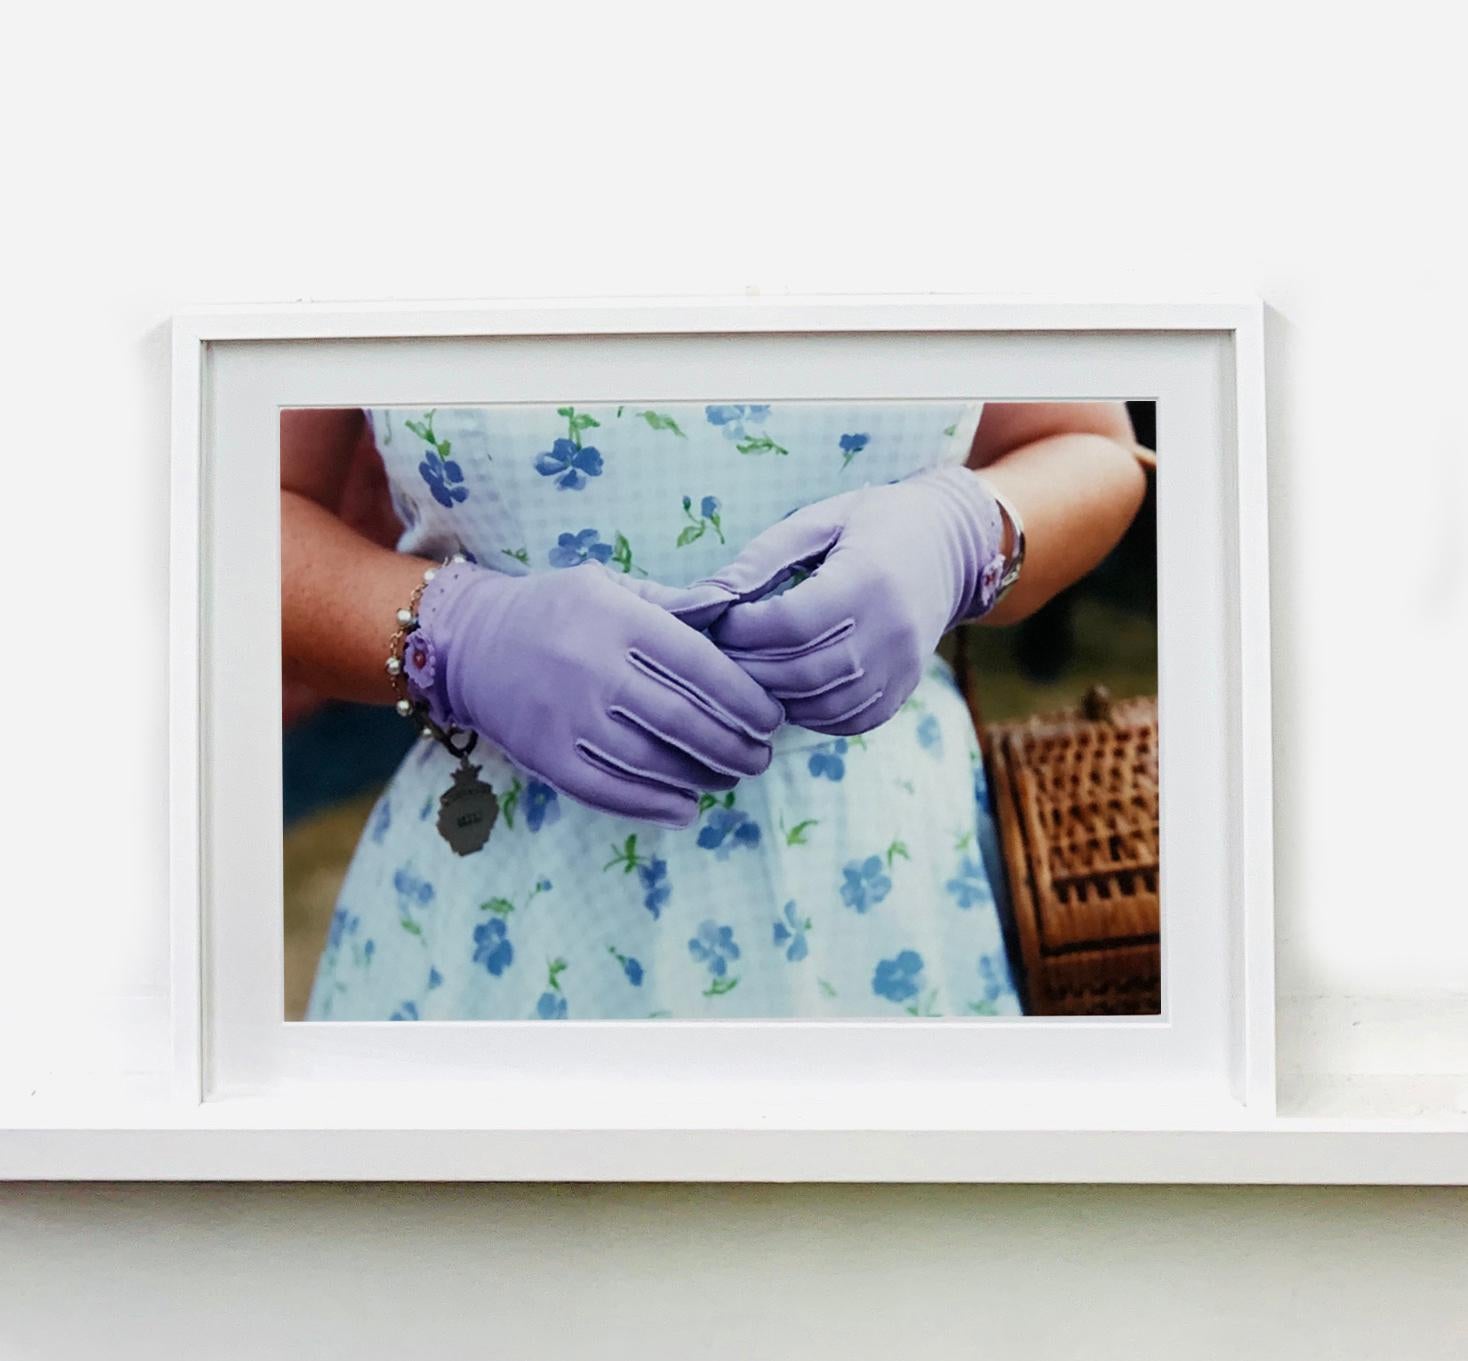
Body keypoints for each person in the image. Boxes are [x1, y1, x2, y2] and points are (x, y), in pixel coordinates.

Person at [283, 398, 1145, 1021]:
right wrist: (458, 634)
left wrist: (962, 533)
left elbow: (1089, 446)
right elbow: (235, 514)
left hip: (886, 882)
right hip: (502, 904)